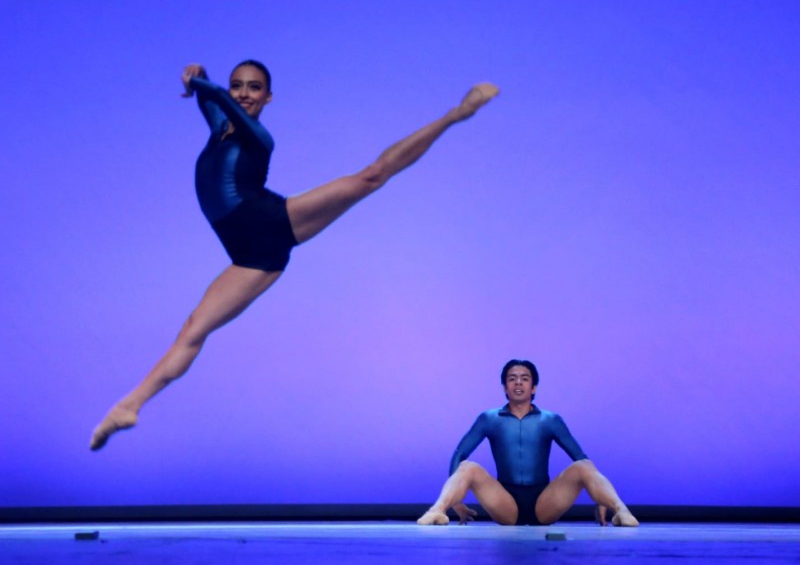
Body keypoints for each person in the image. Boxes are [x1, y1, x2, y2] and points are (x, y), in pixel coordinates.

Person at [89, 60, 499, 451]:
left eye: (254, 88)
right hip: (250, 255)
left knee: (370, 177)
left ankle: (457, 114)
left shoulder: (258, 137)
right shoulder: (220, 125)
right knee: (194, 329)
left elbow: (217, 99)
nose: (244, 94)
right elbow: (213, 102)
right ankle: (129, 406)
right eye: (238, 85)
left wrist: (204, 85)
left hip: (270, 222)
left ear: (268, 97)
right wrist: (199, 79)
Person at [417, 359, 639, 527]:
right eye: (512, 378)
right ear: (505, 387)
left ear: (534, 388)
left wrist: (600, 497)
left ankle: (620, 510)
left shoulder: (550, 420)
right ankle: (438, 510)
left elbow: (581, 459)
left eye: (524, 378)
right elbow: (460, 453)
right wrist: (455, 502)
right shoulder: (489, 419)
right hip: (505, 502)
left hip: (544, 501)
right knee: (468, 467)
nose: (518, 383)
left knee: (583, 467)